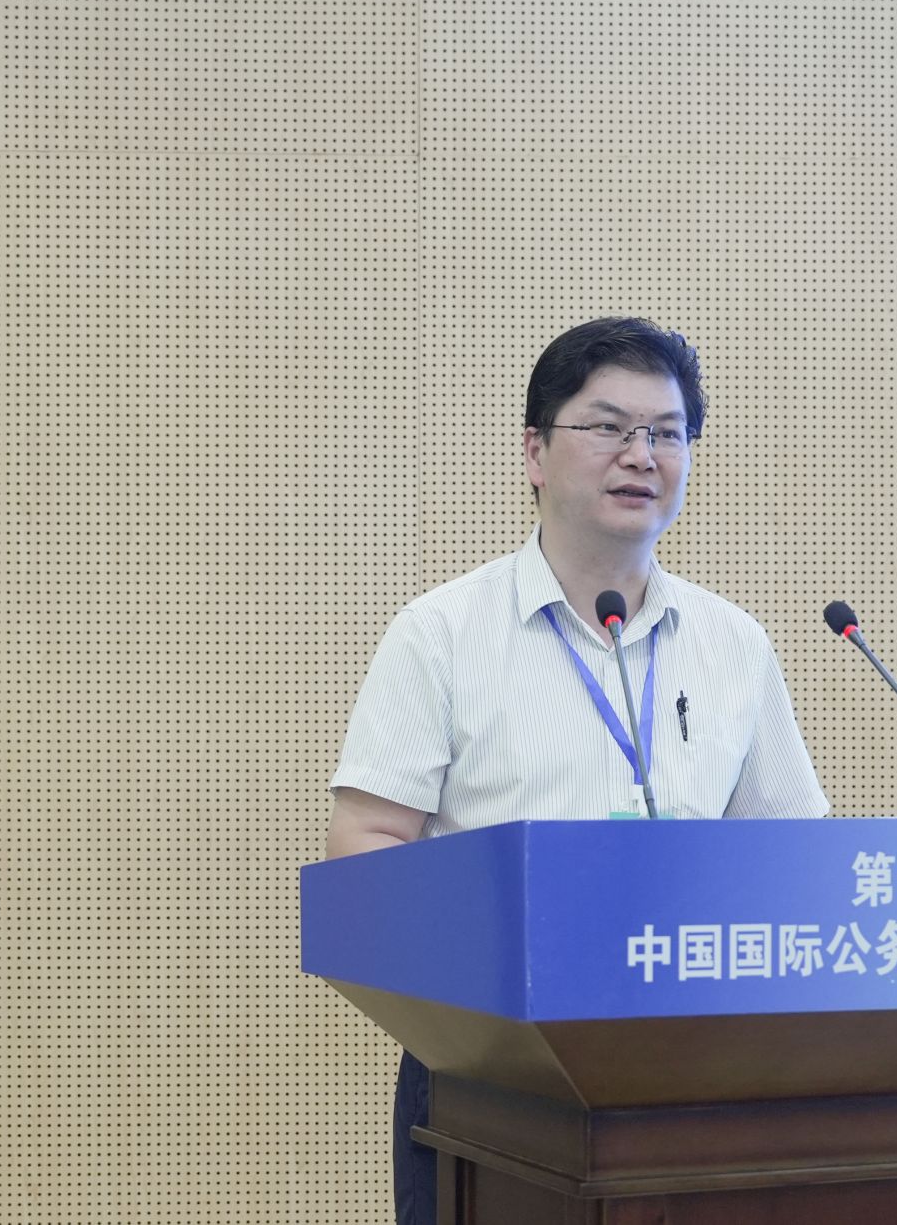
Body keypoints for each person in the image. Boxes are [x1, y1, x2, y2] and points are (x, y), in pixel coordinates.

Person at [324, 317, 829, 1225]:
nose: (642, 455)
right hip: (493, 1066)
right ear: (534, 451)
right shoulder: (442, 633)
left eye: (667, 432)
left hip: (698, 1062)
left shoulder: (733, 644)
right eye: (607, 426)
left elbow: (794, 855)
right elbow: (366, 845)